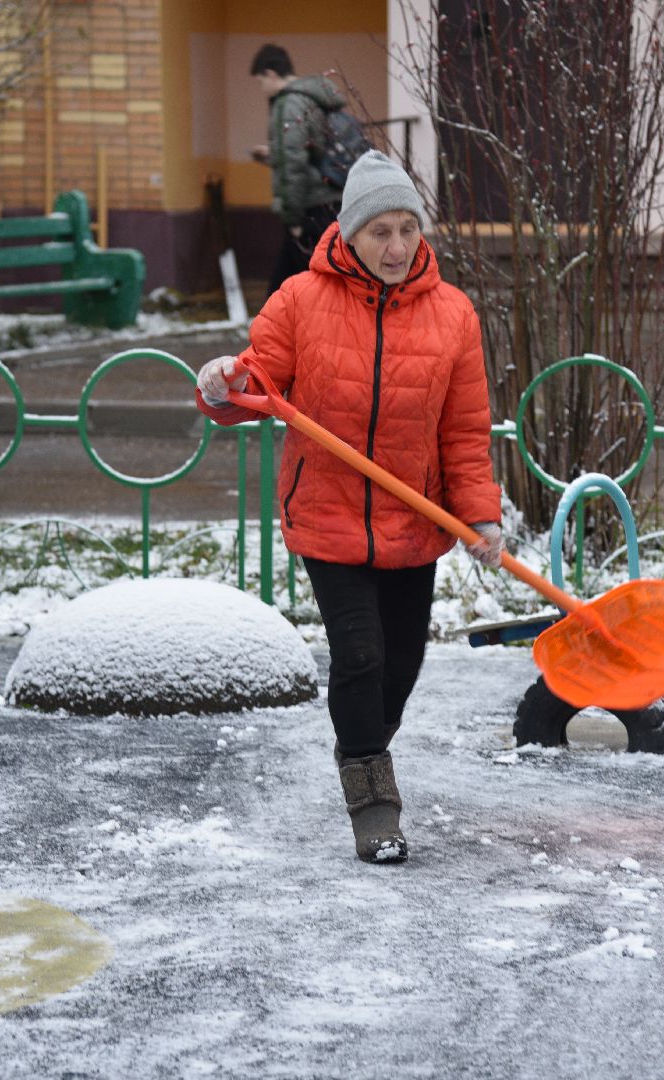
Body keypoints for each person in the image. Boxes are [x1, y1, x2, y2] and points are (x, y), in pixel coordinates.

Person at [194, 150, 506, 865]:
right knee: (360, 654)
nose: (397, 248)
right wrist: (221, 383)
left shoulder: (453, 315)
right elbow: (254, 383)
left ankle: (359, 743)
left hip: (413, 519)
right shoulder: (301, 301)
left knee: (401, 665)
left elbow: (463, 429)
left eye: (407, 230)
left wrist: (479, 512)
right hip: (328, 514)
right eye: (380, 233)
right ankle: (374, 802)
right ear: (349, 234)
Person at [248, 43, 347, 301]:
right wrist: (273, 154)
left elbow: (294, 162)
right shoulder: (312, 98)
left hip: (309, 209)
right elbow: (309, 151)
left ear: (271, 74)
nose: (262, 89)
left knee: (289, 291)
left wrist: (293, 219)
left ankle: (276, 338)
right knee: (309, 286)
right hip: (329, 200)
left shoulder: (288, 103)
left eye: (260, 81)